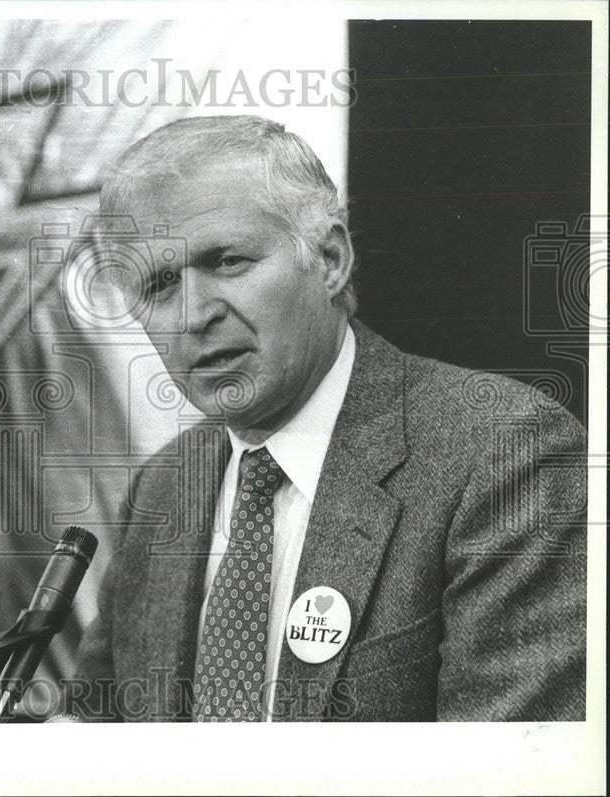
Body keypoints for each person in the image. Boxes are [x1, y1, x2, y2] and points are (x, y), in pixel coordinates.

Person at [58, 115, 587, 722]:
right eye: (157, 285)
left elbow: (506, 774)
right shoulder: (164, 484)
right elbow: (94, 732)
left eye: (227, 261)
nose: (193, 314)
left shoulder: (506, 455)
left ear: (331, 259)